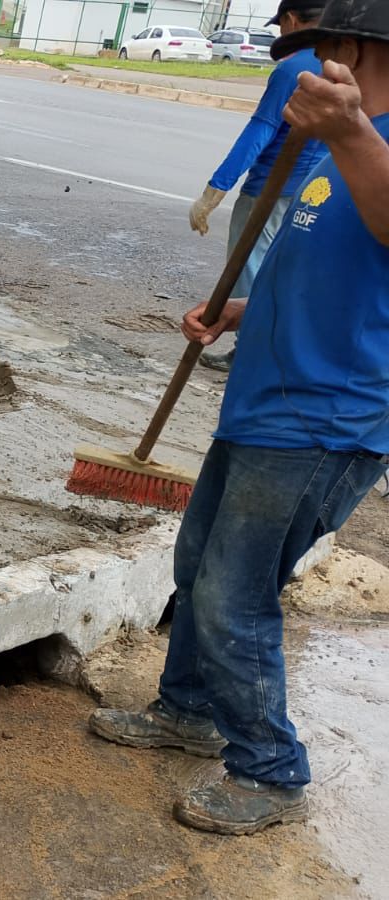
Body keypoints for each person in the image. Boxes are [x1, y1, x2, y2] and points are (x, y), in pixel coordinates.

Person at [91, 0, 389, 837]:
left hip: (326, 421)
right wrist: (241, 312)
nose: (304, 67)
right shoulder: (328, 149)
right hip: (265, 399)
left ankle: (269, 768)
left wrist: (356, 132)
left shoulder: (369, 141)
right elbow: (332, 275)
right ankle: (186, 709)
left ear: (356, 50)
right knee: (201, 567)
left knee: (235, 594)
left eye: (321, 50)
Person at [188, 0, 328, 371]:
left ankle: (251, 354)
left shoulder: (295, 68)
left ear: (292, 20)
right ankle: (275, 350)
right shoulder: (346, 67)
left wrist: (215, 189)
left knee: (249, 274)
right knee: (285, 273)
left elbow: (261, 129)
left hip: (269, 191)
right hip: (316, 193)